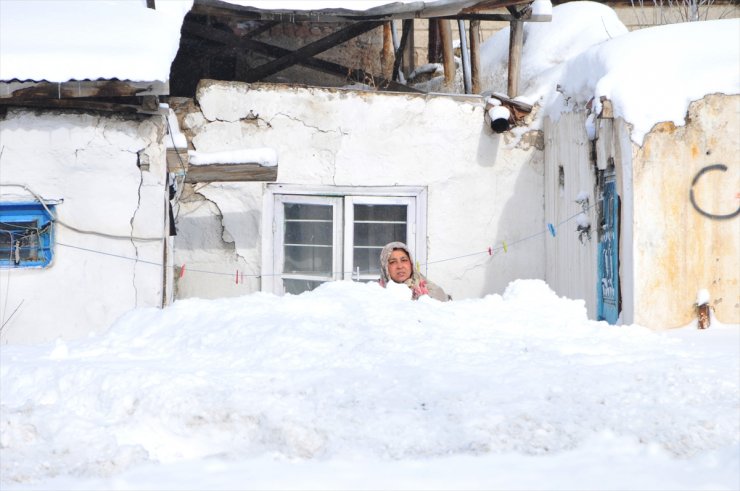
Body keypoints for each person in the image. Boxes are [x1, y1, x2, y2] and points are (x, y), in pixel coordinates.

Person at [378, 241, 449, 302]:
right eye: (393, 262)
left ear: (411, 263)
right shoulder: (375, 294)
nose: (400, 266)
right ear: (385, 267)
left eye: (404, 260)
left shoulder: (434, 293)